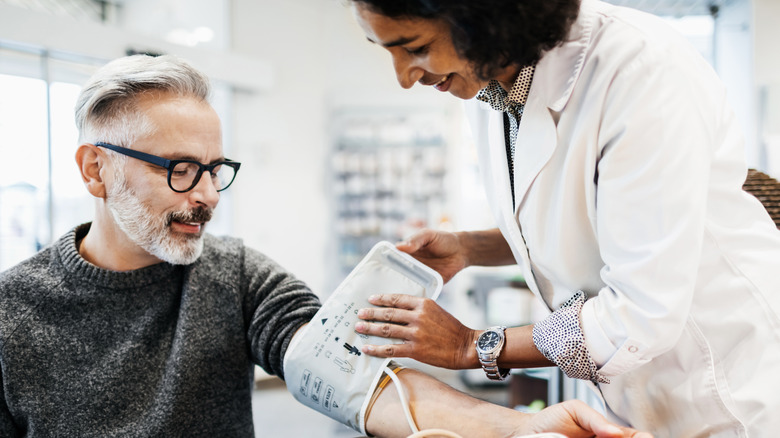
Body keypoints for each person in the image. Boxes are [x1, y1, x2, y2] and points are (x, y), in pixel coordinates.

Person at [0, 54, 649, 438]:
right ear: (95, 169)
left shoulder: (234, 276)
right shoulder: (13, 313)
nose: (208, 195)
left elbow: (357, 380)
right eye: (179, 169)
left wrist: (519, 427)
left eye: (214, 168)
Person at [348, 0, 780, 437]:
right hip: (632, 391)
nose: (405, 77)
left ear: (483, 18)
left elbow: (641, 313)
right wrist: (469, 247)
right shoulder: (486, 84)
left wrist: (472, 346)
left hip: (730, 387)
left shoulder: (639, 69)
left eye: (416, 48)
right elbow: (576, 219)